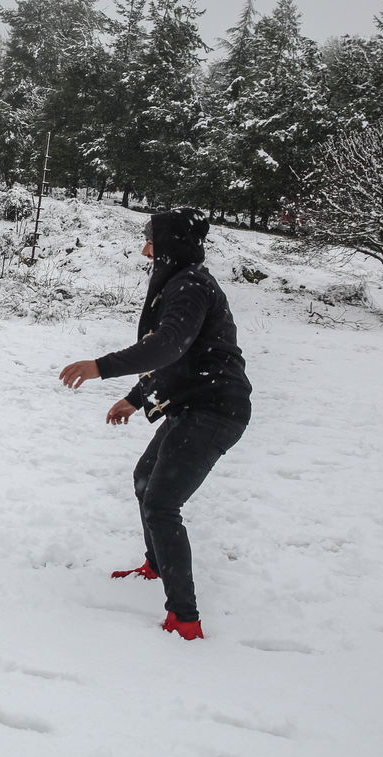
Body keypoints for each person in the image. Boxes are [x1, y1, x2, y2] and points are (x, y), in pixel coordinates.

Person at [59, 208, 251, 640]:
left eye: (152, 241)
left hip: (216, 409)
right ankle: (156, 564)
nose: (146, 249)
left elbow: (167, 346)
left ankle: (185, 619)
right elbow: (180, 355)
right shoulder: (182, 282)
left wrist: (101, 367)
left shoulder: (190, 287)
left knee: (162, 503)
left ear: (172, 247)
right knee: (146, 478)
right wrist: (134, 399)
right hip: (195, 402)